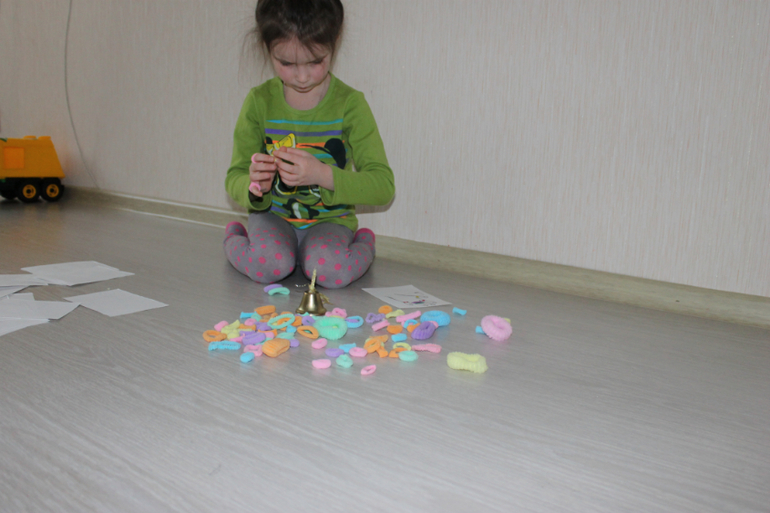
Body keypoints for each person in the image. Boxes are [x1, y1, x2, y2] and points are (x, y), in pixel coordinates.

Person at [224, 0, 394, 289]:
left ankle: (364, 241)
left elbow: (383, 186)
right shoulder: (258, 101)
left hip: (330, 222)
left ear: (334, 42)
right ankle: (234, 236)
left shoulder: (350, 104)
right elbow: (235, 177)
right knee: (269, 265)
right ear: (268, 50)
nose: (302, 77)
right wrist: (254, 187)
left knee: (328, 272)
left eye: (315, 61)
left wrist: (322, 175)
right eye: (286, 63)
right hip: (273, 218)